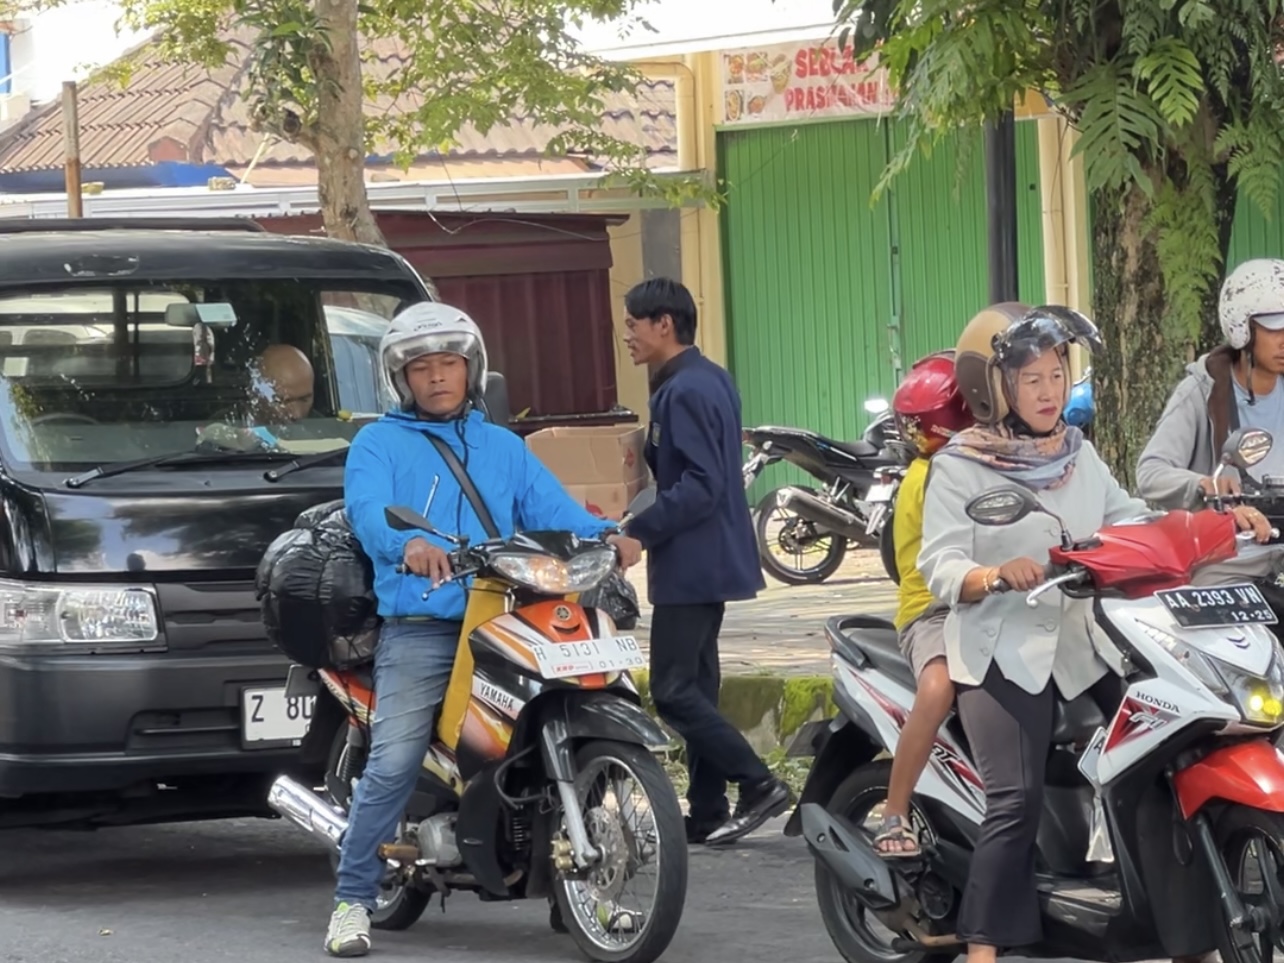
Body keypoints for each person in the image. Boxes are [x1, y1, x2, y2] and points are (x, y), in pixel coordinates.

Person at [917, 303, 1270, 963]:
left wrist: (1216, 523)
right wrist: (993, 574)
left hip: (1085, 647)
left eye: (1057, 375)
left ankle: (1181, 935)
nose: (1049, 391)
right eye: (1031, 379)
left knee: (1164, 757)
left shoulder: (1075, 453)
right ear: (994, 389)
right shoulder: (960, 465)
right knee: (1015, 798)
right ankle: (983, 948)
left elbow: (1130, 519)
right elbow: (939, 563)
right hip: (1002, 650)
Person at [324, 301, 639, 958]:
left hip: (510, 616)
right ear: (400, 378)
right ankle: (351, 900)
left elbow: (553, 509)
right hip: (426, 623)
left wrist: (606, 534)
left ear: (472, 370)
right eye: (422, 367)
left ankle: (573, 886)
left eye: (449, 363)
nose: (437, 376)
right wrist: (408, 543)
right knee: (394, 757)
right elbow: (369, 511)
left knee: (556, 726)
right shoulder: (377, 444)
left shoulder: (503, 446)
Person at [612, 277, 792, 848]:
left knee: (671, 690)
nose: (627, 336)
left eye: (633, 324)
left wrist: (639, 530)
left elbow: (701, 484)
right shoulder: (705, 378)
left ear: (664, 323)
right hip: (708, 558)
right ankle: (709, 808)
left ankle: (758, 782)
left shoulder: (685, 390)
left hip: (693, 561)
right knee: (697, 686)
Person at [874, 350, 974, 857]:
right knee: (937, 688)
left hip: (985, 599)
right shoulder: (932, 477)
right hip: (932, 609)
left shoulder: (983, 463)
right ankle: (894, 810)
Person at [1138, 258, 1284, 508]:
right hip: (1226, 530)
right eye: (1274, 328)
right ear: (1243, 329)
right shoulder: (1201, 393)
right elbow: (1150, 473)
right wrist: (1205, 485)